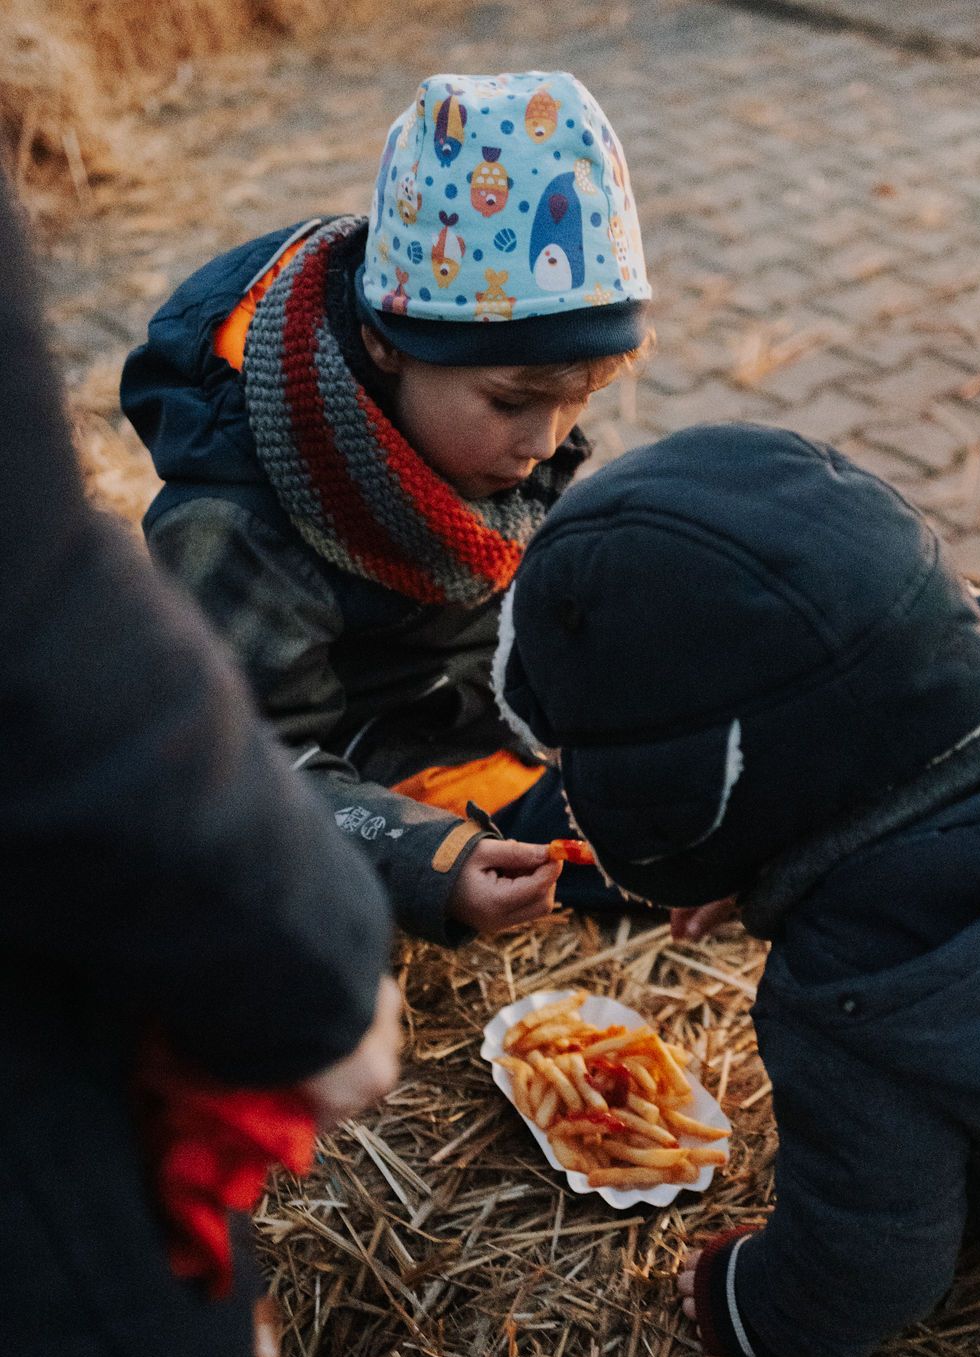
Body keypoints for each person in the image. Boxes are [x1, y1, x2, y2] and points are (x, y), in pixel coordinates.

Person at [0, 166, 401, 1357]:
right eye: (516, 400)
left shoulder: (489, 493)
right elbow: (37, 636)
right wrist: (328, 954)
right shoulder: (238, 534)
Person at [492, 422, 980, 1357]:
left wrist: (754, 1304)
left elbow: (874, 1259)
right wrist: (768, 866)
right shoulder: (960, 689)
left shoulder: (860, 1000)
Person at [121, 70, 652, 946]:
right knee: (633, 851)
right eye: (513, 401)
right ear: (386, 343)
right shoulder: (238, 525)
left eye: (579, 398)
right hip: (375, 766)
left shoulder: (489, 428)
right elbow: (246, 764)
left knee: (708, 796)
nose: (548, 441)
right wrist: (427, 862)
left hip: (479, 699)